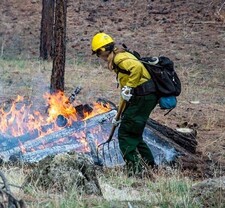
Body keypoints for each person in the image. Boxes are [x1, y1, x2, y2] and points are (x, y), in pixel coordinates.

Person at [91, 32, 158, 176]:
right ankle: (151, 166)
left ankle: (136, 172)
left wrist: (130, 87)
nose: (99, 58)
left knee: (125, 135)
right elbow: (124, 92)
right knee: (135, 133)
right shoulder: (119, 58)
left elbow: (137, 68)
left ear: (103, 50)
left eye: (98, 54)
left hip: (143, 97)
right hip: (144, 97)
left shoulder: (119, 58)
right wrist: (119, 115)